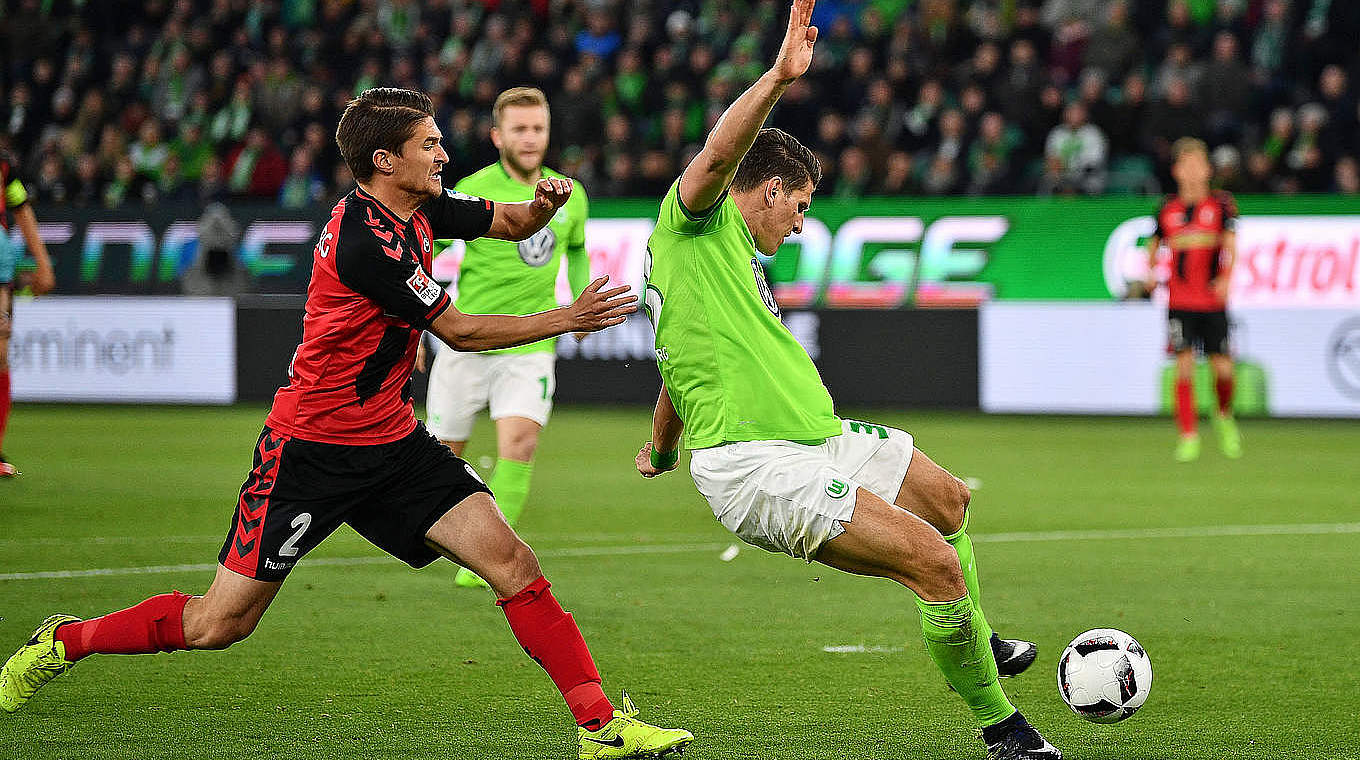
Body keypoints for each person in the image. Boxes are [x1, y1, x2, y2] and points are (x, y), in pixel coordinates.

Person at [1, 88, 692, 760]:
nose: (445, 153)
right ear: (386, 161)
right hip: (310, 452)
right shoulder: (365, 240)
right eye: (430, 143)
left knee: (513, 563)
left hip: (394, 444)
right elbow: (458, 330)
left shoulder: (420, 206)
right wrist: (564, 319)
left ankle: (599, 727)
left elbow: (510, 224)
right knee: (219, 623)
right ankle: (67, 641)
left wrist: (540, 207)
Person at [632, 2, 1058, 758]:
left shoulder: (722, 269)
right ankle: (1005, 729)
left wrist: (661, 444)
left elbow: (676, 365)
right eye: (798, 206)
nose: (798, 225)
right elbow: (718, 155)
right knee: (933, 563)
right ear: (766, 188)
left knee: (948, 499)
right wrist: (777, 76)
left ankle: (981, 645)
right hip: (759, 464)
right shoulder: (694, 220)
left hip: (817, 441)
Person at [418, 87, 590, 589]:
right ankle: (461, 542)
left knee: (521, 442)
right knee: (446, 453)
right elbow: (424, 246)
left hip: (531, 344)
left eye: (538, 128)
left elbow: (576, 248)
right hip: (467, 340)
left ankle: (489, 562)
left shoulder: (569, 194)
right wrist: (420, 319)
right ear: (498, 136)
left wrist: (579, 302)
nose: (530, 137)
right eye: (519, 128)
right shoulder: (472, 191)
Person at [1144, 137, 1242, 462]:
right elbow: (1153, 243)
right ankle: (1188, 436)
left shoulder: (1221, 205)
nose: (1193, 171)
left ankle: (1223, 415)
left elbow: (1231, 244)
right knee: (1183, 366)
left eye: (1199, 164)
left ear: (1208, 170)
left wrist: (1226, 278)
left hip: (1212, 301)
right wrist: (1150, 272)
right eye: (1187, 164)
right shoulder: (1167, 209)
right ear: (1176, 170)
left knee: (1223, 369)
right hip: (1180, 301)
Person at [0, 141, 57, 477]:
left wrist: (43, 264)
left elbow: (22, 209)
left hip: (1, 270)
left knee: (1, 354)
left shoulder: (6, 166)